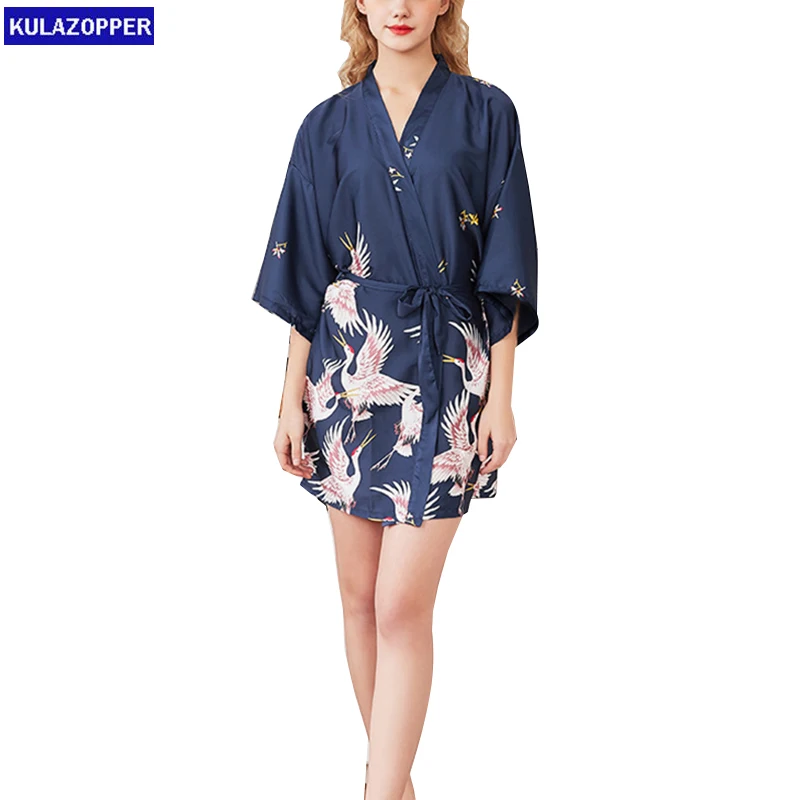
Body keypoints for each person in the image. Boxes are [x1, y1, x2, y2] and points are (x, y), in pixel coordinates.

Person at [251, 2, 538, 797]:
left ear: (445, 2)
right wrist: (288, 402)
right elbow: (305, 276)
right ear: (360, 6)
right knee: (358, 599)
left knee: (401, 604)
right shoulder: (325, 126)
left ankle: (380, 792)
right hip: (346, 374)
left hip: (447, 373)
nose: (401, 6)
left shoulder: (488, 114)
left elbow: (506, 267)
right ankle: (395, 786)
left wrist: (502, 400)